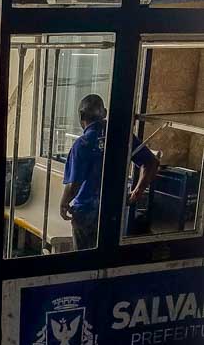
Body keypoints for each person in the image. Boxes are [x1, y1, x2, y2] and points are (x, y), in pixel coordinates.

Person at [60, 94, 159, 250]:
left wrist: (64, 204)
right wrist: (137, 192)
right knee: (112, 256)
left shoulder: (83, 143)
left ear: (81, 115)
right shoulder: (121, 137)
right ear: (105, 113)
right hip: (116, 210)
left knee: (85, 262)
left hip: (87, 212)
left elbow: (74, 185)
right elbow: (151, 162)